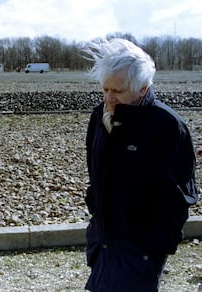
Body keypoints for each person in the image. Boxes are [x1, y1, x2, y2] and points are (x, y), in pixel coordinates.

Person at [82, 38, 199, 291]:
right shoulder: (98, 117)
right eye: (105, 90)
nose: (109, 98)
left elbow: (181, 195)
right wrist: (96, 218)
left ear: (143, 88)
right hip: (103, 242)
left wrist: (156, 245)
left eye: (119, 91)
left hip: (142, 250)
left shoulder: (167, 127)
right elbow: (95, 175)